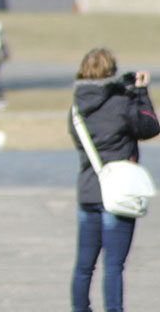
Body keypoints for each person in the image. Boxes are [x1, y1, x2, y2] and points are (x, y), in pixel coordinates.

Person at [68, 48, 159, 312]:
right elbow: (150, 127)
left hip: (87, 191)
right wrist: (139, 93)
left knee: (84, 265)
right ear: (112, 72)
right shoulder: (122, 104)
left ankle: (80, 308)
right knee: (114, 265)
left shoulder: (76, 109)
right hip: (118, 191)